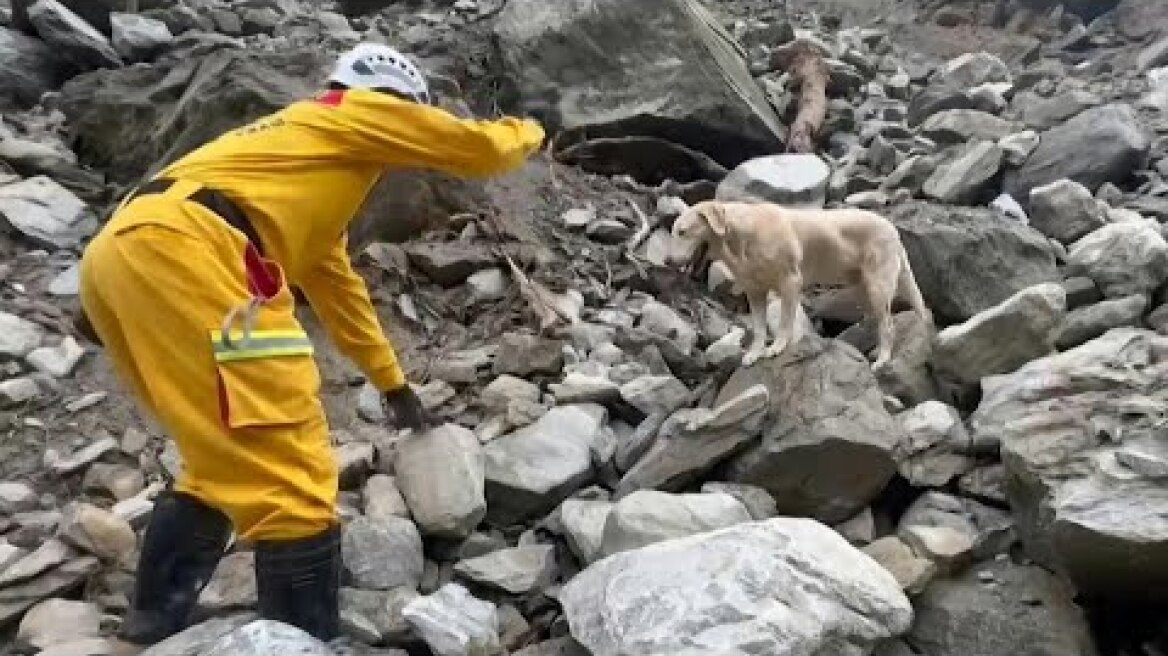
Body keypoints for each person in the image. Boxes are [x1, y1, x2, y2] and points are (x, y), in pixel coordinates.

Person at [77, 42, 545, 644]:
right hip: (196, 250)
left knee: (219, 452)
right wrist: (531, 128)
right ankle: (302, 638)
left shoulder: (300, 174)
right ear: (395, 102)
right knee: (293, 463)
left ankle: (150, 621)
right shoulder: (352, 111)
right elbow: (479, 148)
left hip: (120, 253)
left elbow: (341, 296)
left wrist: (392, 383)